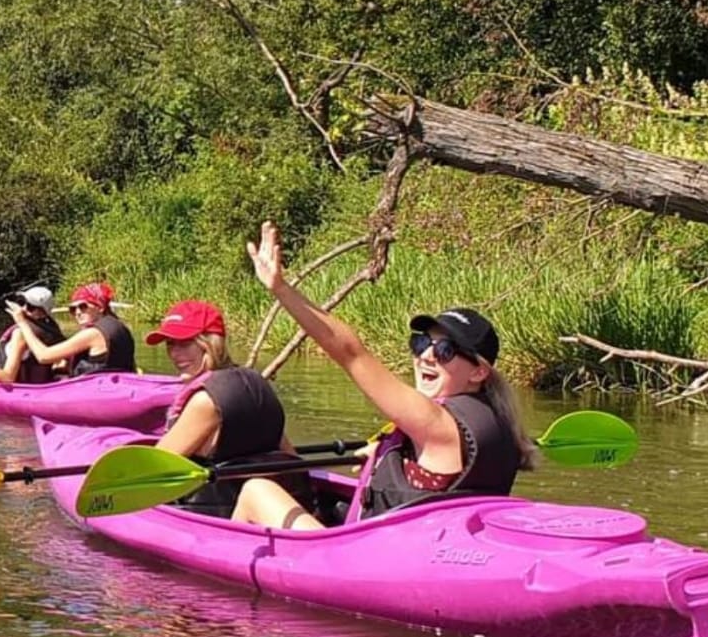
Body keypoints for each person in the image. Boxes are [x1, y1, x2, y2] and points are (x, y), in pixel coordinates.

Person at [230, 221, 538, 531]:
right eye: (421, 343)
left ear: (479, 371)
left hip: (376, 554)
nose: (425, 356)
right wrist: (387, 453)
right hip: (437, 542)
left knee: (256, 491)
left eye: (445, 351)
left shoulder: (436, 423)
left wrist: (281, 289)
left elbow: (351, 353)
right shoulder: (501, 421)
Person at [145, 299, 313, 518]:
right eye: (170, 344)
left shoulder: (205, 401)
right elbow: (289, 456)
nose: (175, 354)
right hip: (253, 503)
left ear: (210, 343)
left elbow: (153, 470)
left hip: (217, 514)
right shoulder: (257, 384)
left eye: (184, 343)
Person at [10, 281, 137, 378]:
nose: (77, 312)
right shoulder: (121, 326)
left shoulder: (92, 333)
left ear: (100, 307)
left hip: (94, 391)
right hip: (113, 385)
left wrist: (22, 323)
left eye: (83, 307)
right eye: (73, 309)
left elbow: (43, 356)